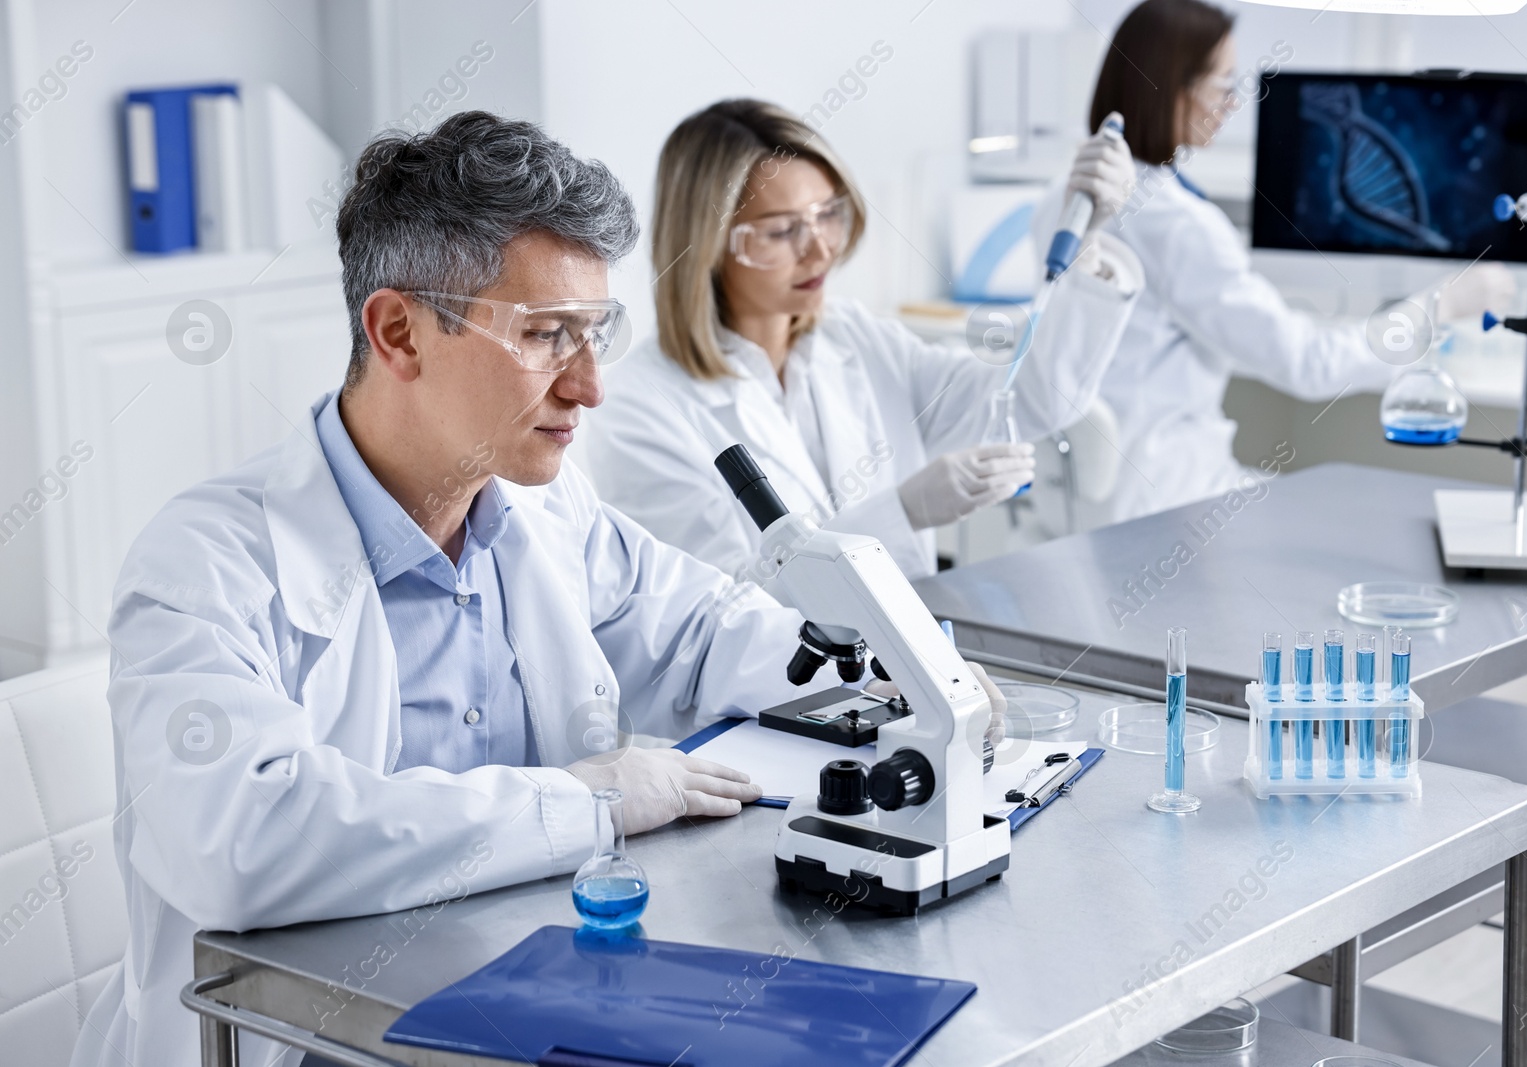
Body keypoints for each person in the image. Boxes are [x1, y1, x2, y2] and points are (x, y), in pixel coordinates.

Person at [72, 113, 1008, 1067]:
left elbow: (707, 631)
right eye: (549, 336)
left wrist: (907, 679)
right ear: (399, 331)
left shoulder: (549, 517)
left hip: (532, 1012)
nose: (590, 386)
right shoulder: (206, 564)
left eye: (594, 334)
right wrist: (584, 800)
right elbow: (247, 841)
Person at [586, 99, 1144, 587]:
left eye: (828, 215)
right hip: (772, 698)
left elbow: (1029, 397)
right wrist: (901, 511)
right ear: (706, 244)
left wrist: (1086, 242)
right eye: (783, 231)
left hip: (909, 668)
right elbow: (722, 607)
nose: (820, 249)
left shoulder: (854, 337)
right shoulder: (641, 408)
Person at [1040, 0, 1516, 524]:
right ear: (1174, 87)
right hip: (1170, 503)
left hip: (1104, 503)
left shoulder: (1069, 191)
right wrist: (1439, 306)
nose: (1233, 103)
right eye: (1223, 84)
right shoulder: (1177, 224)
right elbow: (1309, 366)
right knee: (1359, 522)